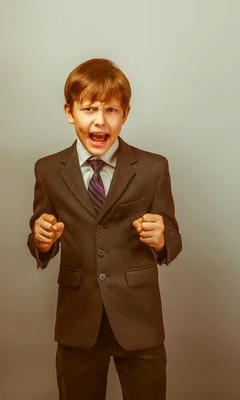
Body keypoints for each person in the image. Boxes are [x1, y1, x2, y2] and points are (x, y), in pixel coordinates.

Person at [26, 58, 182, 400]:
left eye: (111, 110)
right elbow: (40, 233)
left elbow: (172, 235)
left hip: (139, 320)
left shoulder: (154, 168)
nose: (100, 120)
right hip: (78, 323)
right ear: (70, 112)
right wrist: (41, 239)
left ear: (125, 114)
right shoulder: (48, 170)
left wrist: (161, 239)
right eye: (90, 109)